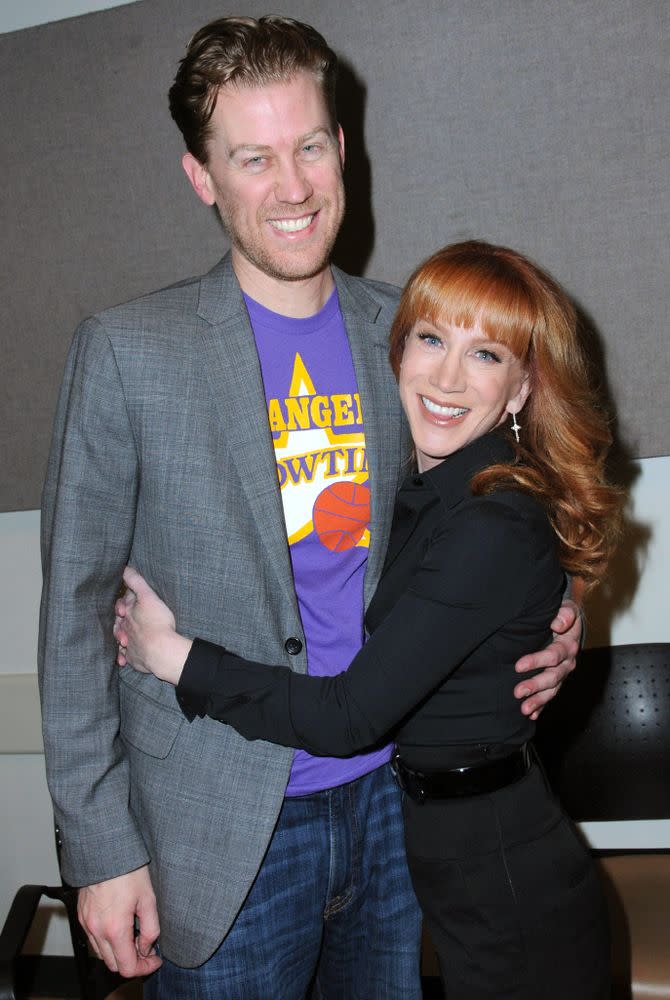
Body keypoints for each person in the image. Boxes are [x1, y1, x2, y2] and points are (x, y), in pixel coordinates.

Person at [39, 15, 582, 999]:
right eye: (253, 157)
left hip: (393, 806)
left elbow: (513, 486)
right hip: (221, 824)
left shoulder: (407, 334)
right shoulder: (128, 351)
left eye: (310, 146)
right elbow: (75, 618)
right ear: (202, 177)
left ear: (344, 147)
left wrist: (559, 609)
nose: (292, 187)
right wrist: (100, 848)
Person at [115, 241, 622, 1000]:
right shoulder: (436, 488)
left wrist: (176, 657)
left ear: (521, 388)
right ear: (398, 349)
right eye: (431, 339)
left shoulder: (489, 521)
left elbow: (349, 714)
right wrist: (559, 602)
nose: (447, 378)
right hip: (458, 855)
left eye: (485, 354)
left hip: (508, 884)